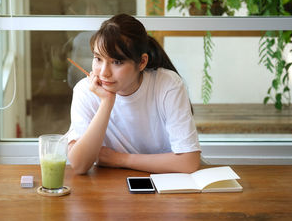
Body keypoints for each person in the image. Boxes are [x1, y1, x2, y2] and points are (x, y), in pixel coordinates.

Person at [67, 14, 201, 175]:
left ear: (142, 62)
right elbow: (79, 165)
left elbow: (188, 162)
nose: (104, 72)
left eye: (117, 62)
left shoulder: (167, 84)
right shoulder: (85, 90)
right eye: (98, 59)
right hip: (112, 187)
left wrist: (119, 159)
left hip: (166, 185)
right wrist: (107, 102)